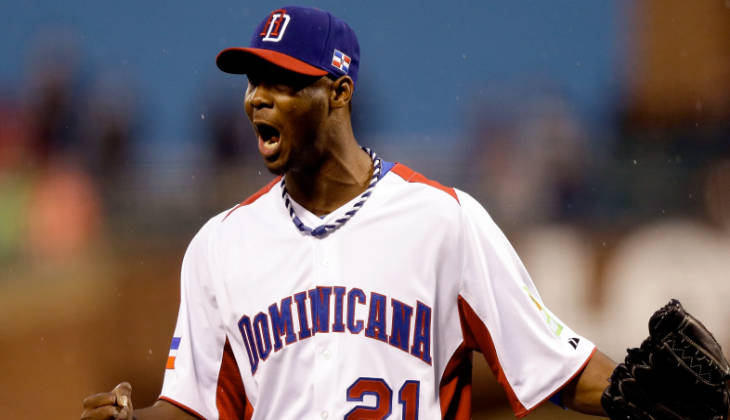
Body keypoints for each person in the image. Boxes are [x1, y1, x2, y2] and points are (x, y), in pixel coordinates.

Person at [80, 6, 617, 420]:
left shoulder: (443, 221)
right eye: (253, 81)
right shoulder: (218, 246)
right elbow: (194, 408)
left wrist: (640, 393)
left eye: (282, 82)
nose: (257, 98)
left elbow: (556, 365)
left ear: (338, 92)